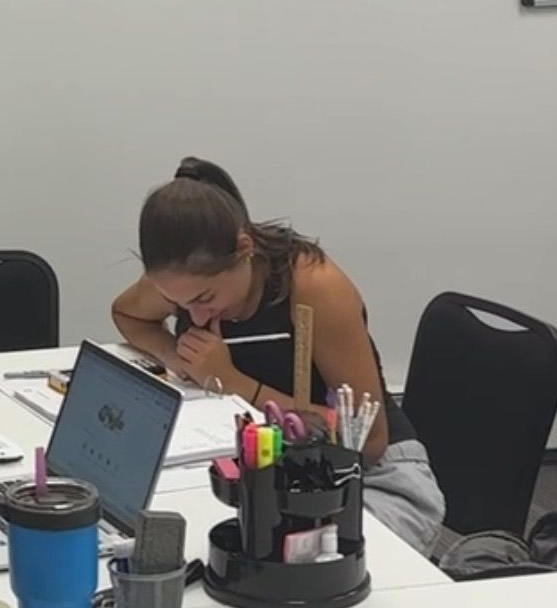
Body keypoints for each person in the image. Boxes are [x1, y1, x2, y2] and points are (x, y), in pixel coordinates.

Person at [112, 158, 445, 555]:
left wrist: (232, 383)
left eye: (205, 299)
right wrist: (177, 356)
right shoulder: (183, 277)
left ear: (244, 250)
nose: (194, 315)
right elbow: (128, 314)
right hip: (272, 466)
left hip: (370, 477)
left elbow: (368, 440)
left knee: (299, 568)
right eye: (175, 302)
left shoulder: (314, 288)